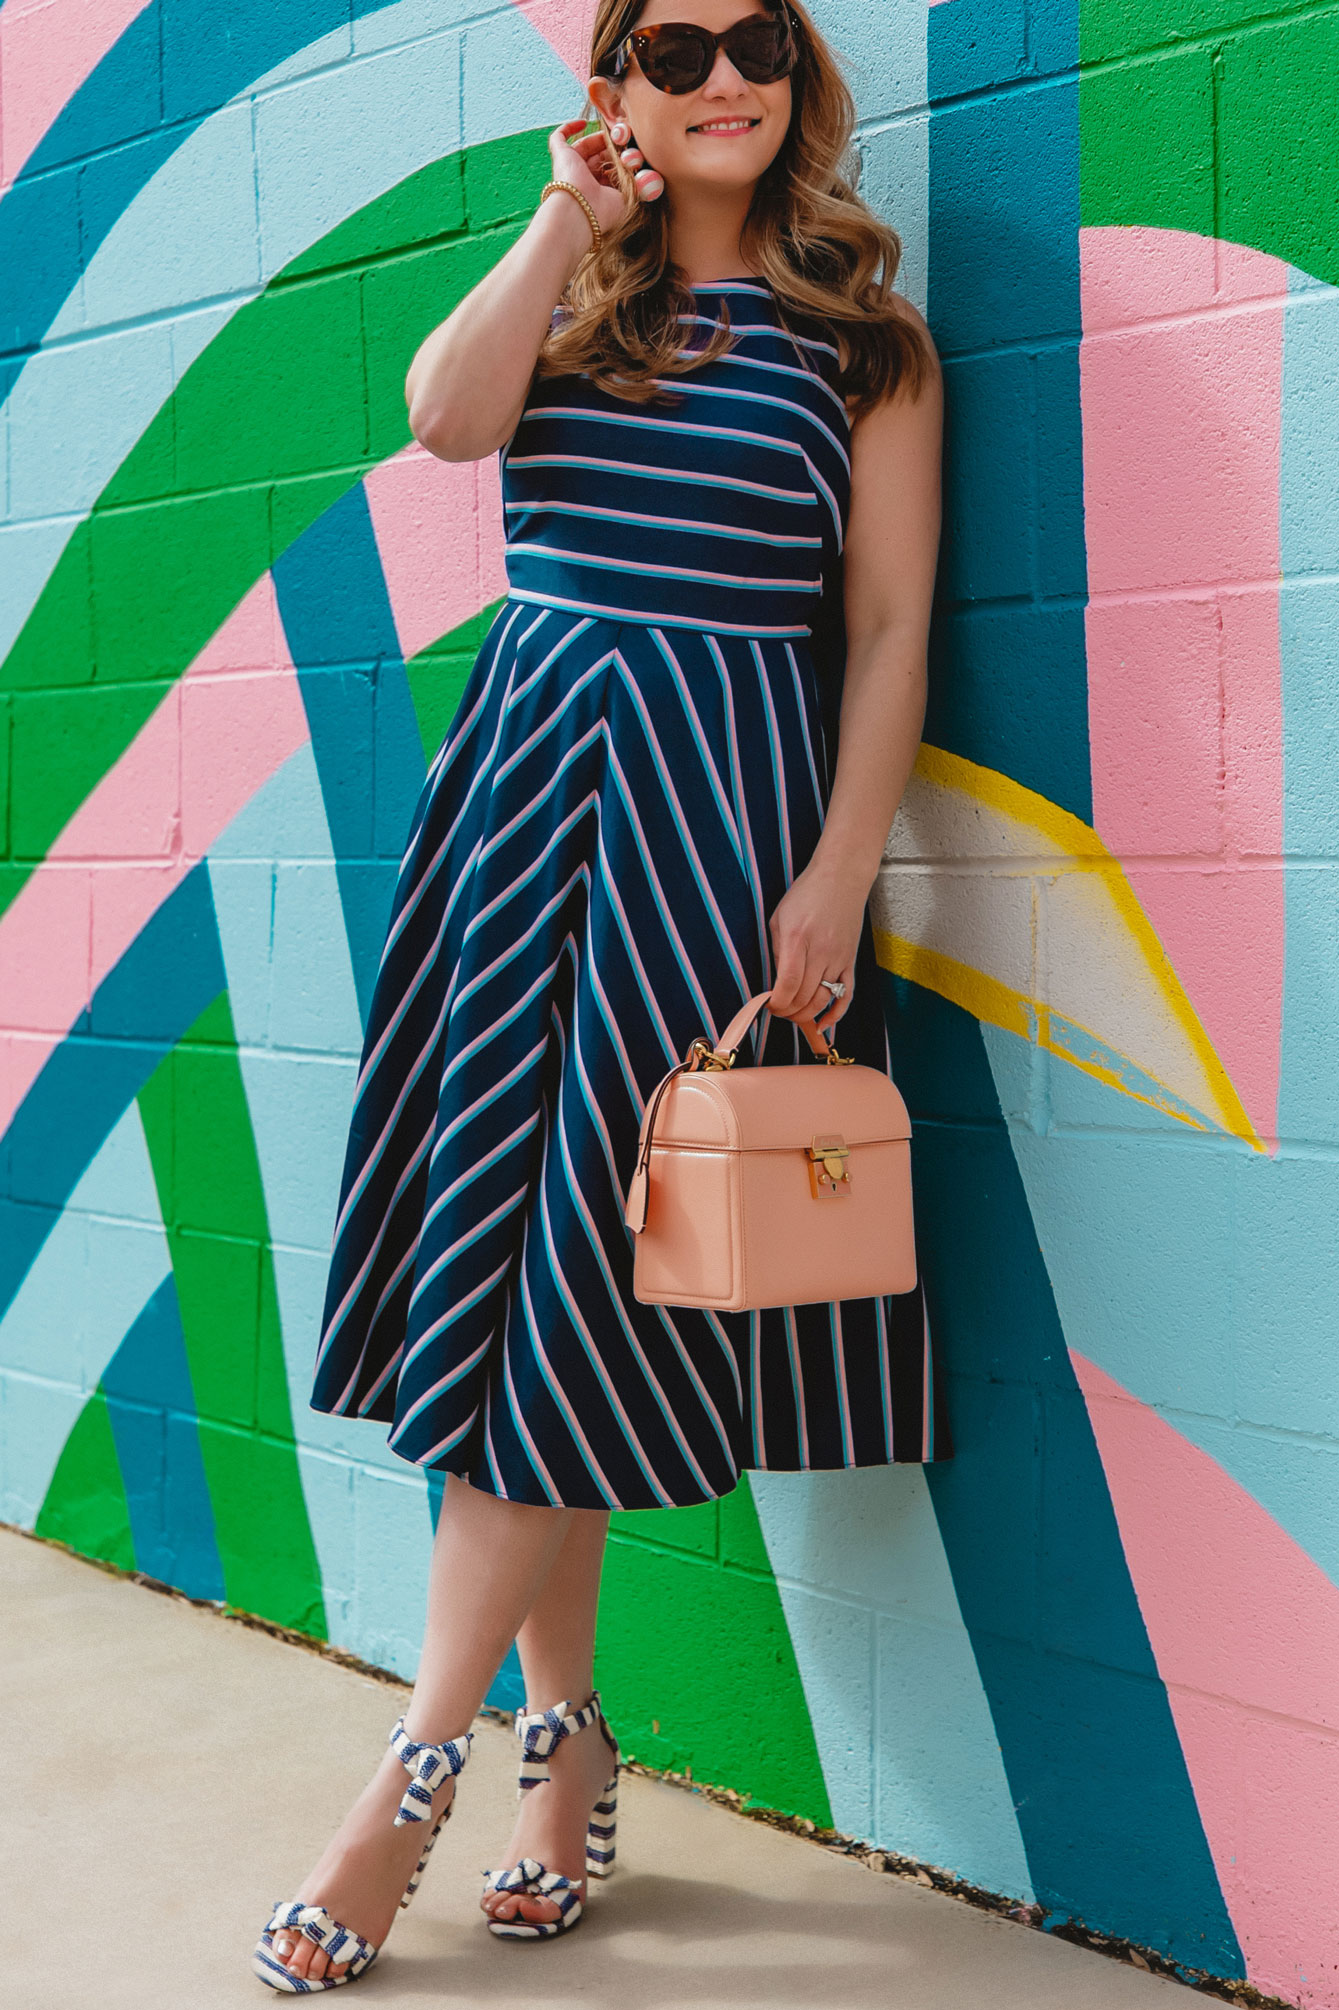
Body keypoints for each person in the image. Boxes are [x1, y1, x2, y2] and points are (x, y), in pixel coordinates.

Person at [252, 0, 944, 1988]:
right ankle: (557, 1739)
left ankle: (416, 1771)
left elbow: (886, 631)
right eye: (671, 46)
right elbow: (442, 418)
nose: (718, 73)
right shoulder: (572, 297)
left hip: (717, 836)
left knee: (579, 1286)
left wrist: (832, 876)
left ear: (797, 83)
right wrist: (560, 222)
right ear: (616, 91)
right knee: (532, 1285)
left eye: (756, 43)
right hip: (524, 811)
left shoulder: (864, 341)